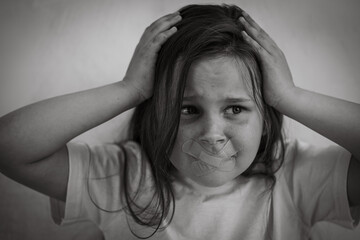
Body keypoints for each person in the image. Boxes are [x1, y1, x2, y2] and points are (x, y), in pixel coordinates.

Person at [0, 4, 359, 240]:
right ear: (155, 114)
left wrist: (290, 97)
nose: (212, 135)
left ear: (266, 119)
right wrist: (130, 89)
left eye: (235, 109)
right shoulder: (122, 177)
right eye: (187, 110)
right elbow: (10, 146)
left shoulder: (295, 176)